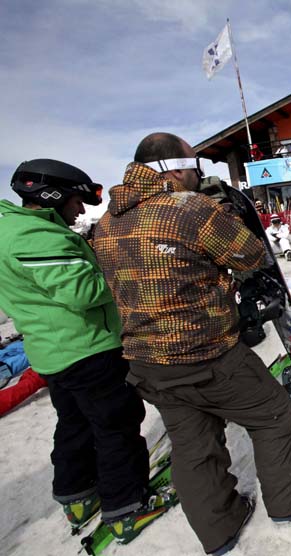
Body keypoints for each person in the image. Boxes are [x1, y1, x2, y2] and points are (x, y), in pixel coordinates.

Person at [94, 133, 291, 555]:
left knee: (193, 446)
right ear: (174, 168)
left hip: (146, 361)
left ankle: (218, 527)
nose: (197, 177)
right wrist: (224, 217)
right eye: (195, 168)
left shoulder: (107, 224)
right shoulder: (191, 209)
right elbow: (250, 256)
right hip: (205, 355)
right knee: (274, 415)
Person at [0, 159, 171, 542]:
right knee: (116, 426)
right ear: (53, 195)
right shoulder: (35, 236)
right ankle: (126, 507)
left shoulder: (7, 228)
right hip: (85, 347)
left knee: (75, 423)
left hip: (51, 350)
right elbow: (82, 292)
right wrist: (117, 268)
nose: (81, 209)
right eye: (77, 199)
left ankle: (77, 494)